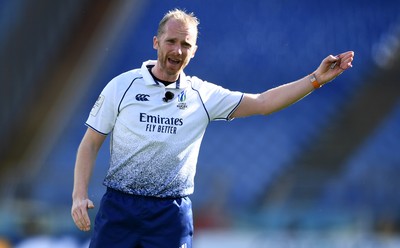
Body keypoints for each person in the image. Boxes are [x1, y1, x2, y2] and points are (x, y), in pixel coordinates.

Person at [71, 8, 354, 248]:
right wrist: (79, 195)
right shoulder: (122, 86)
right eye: (171, 41)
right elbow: (91, 143)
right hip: (120, 207)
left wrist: (316, 79)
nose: (177, 50)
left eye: (185, 44)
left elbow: (263, 102)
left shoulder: (202, 95)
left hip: (170, 214)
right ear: (156, 42)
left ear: (194, 51)